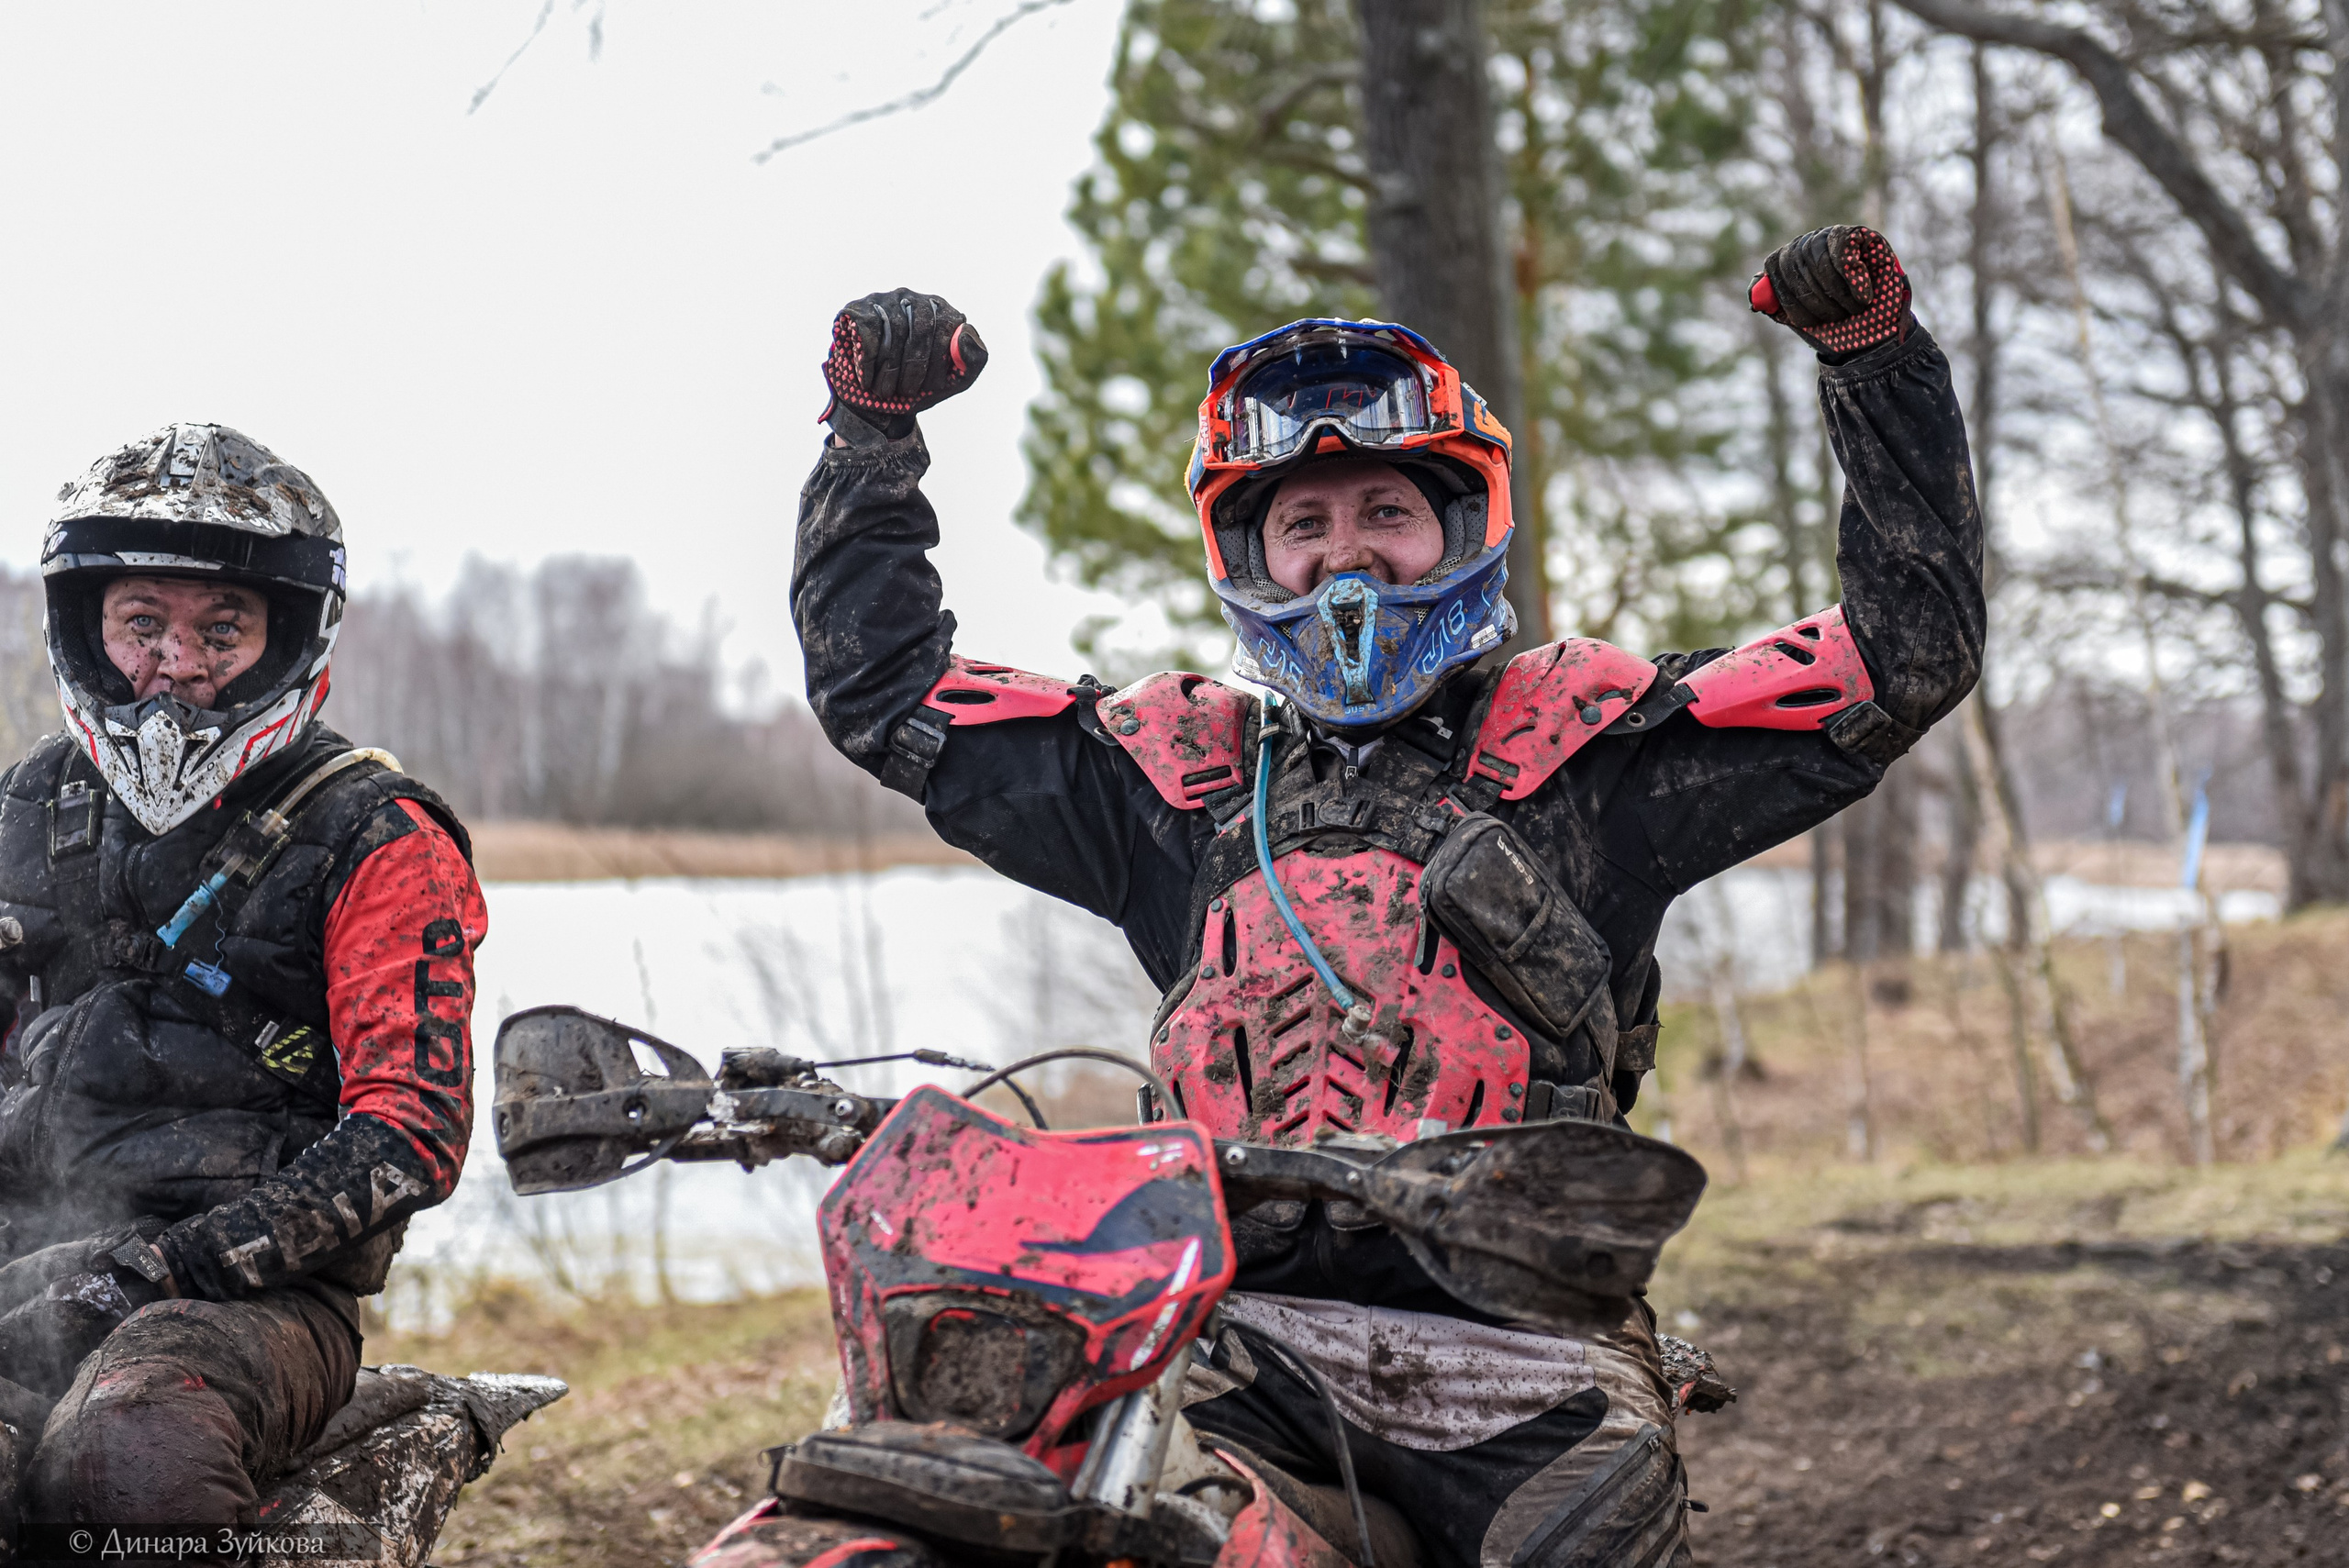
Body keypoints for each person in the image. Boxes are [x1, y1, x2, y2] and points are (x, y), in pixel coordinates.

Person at [794, 226, 1983, 1568]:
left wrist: (1875, 359)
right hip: (1225, 1336)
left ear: (1460, 528)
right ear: (1251, 555)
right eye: (1304, 524)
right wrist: (870, 436)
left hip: (1518, 1361)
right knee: (1015, 1493)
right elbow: (887, 693)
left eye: (1386, 515)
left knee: (1586, 1535)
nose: (1344, 561)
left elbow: (1899, 658)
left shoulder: (1588, 758)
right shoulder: (1177, 781)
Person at [0, 424, 486, 1541]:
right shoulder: (27, 805)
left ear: (284, 637)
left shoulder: (376, 830)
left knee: (133, 1455)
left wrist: (172, 1262)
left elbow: (412, 1131)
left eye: (222, 627)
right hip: (29, 1251)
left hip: (248, 1295)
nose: (176, 662)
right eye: (142, 623)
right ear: (86, 624)